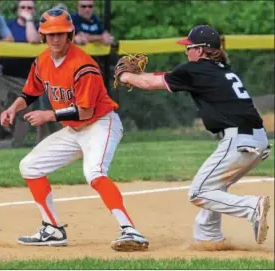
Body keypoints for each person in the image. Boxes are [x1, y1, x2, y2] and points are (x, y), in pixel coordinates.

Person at [0, 8, 148, 252]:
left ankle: (131, 230)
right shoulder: (43, 61)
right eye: (51, 34)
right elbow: (30, 92)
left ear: (70, 34)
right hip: (74, 129)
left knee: (95, 173)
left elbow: (86, 112)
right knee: (30, 166)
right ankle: (53, 229)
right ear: (42, 36)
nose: (56, 39)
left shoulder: (83, 66)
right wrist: (13, 109)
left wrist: (49, 114)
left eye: (61, 33)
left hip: (101, 123)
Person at [115, 25, 271, 245]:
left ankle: (251, 207)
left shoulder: (196, 70)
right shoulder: (222, 70)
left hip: (240, 140)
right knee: (215, 187)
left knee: (199, 192)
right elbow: (165, 77)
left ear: (200, 50)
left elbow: (149, 82)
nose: (186, 51)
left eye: (189, 47)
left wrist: (124, 75)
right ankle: (209, 237)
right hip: (258, 140)